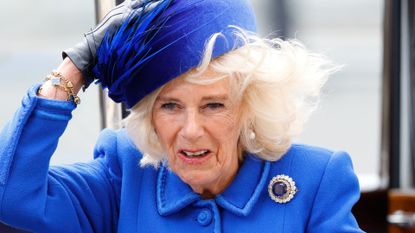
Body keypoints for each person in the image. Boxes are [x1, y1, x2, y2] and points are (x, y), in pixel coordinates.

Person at [0, 0, 364, 232]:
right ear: (149, 116)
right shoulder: (124, 176)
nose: (191, 131)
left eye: (214, 105)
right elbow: (12, 195)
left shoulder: (316, 181)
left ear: (249, 107)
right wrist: (71, 72)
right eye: (170, 106)